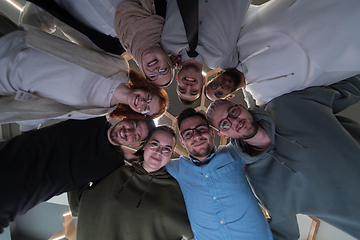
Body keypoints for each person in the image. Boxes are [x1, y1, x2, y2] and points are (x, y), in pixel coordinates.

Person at [206, 75, 360, 239]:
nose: (234, 121)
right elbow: (285, 233)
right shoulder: (258, 178)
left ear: (242, 107)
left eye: (233, 112)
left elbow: (350, 89)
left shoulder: (286, 105)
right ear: (223, 133)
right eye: (224, 123)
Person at [0, 12, 168, 131]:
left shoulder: (98, 114)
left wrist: (27, 130)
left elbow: (49, 110)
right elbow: (73, 28)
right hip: (11, 39)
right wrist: (32, 29)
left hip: (6, 82)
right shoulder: (118, 64)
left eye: (146, 109)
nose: (142, 102)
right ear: (147, 88)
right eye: (148, 98)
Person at [0, 116, 155, 234]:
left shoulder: (114, 167)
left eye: (135, 136)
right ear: (126, 117)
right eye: (133, 125)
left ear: (134, 144)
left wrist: (76, 178)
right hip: (11, 155)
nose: (128, 132)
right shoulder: (95, 116)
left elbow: (77, 207)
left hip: (19, 195)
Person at [205, 0, 360, 105]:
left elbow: (224, 12)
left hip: (314, 9)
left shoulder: (239, 40)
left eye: (213, 85)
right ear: (229, 96)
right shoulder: (263, 97)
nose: (218, 87)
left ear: (216, 75)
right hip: (338, 48)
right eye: (219, 93)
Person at [67, 126, 194, 240]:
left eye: (167, 149)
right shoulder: (117, 172)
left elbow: (196, 232)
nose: (159, 151)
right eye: (154, 144)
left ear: (171, 155)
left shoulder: (176, 188)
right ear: (144, 145)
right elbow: (78, 204)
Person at [165, 108, 272, 239]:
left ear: (212, 132)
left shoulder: (233, 153)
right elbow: (139, 161)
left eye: (201, 129)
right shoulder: (176, 168)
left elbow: (262, 133)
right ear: (182, 142)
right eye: (188, 134)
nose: (197, 136)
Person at [20, 0, 175, 87]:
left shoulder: (106, 46)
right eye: (164, 69)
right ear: (168, 59)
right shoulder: (157, 10)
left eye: (153, 76)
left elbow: (44, 15)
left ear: (144, 72)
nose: (156, 69)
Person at [160, 0, 252, 104]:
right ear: (203, 81)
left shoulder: (166, 44)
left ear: (177, 77)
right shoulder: (224, 60)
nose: (189, 86)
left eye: (182, 89)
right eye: (194, 91)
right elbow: (250, 74)